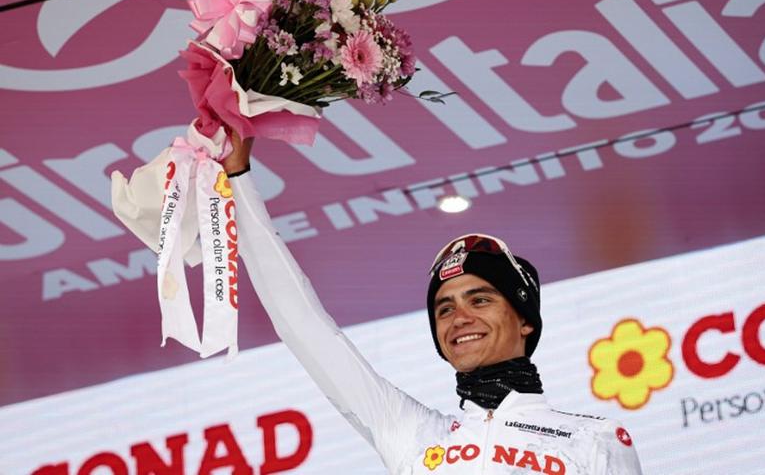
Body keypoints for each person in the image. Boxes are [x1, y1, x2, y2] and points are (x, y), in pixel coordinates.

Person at [224, 132, 643, 474]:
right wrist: (238, 178)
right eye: (444, 309)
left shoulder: (595, 441)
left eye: (480, 299)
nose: (459, 318)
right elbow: (305, 327)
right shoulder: (412, 434)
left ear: (525, 320)